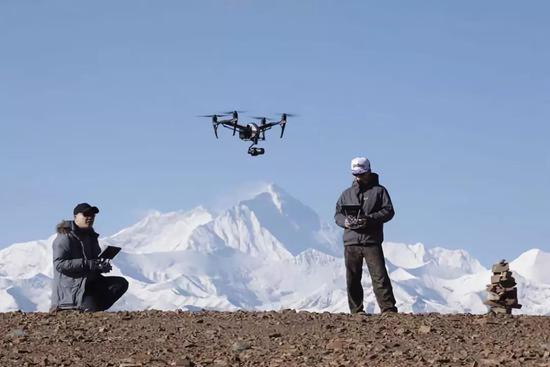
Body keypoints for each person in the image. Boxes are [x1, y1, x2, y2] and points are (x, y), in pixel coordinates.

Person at [334, 157, 398, 315]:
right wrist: (346, 222)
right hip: (351, 241)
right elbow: (337, 214)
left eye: (361, 174)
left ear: (369, 172)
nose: (358, 177)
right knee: (353, 278)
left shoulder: (380, 191)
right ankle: (356, 311)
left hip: (371, 241)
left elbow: (388, 211)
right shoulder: (346, 194)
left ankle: (388, 309)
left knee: (379, 276)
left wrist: (369, 220)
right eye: (355, 174)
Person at [51, 203, 128, 312]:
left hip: (90, 283)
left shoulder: (91, 237)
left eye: (92, 215)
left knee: (120, 284)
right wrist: (88, 263)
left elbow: (92, 262)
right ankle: (77, 308)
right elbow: (59, 264)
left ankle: (92, 308)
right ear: (75, 217)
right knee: (91, 309)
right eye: (86, 214)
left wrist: (99, 267)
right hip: (73, 289)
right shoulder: (65, 237)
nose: (90, 217)